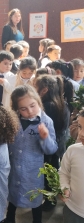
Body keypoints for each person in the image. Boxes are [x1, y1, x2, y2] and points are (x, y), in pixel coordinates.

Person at [3, 85, 58, 223]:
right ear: (17, 109)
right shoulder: (13, 119)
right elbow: (7, 141)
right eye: (24, 109)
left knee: (35, 201)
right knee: (12, 195)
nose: (30, 111)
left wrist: (45, 137)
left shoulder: (46, 121)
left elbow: (52, 148)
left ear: (38, 102)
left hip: (33, 171)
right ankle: (9, 220)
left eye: (33, 105)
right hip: (13, 167)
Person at [35, 75, 70, 211]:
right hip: (59, 144)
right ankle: (52, 199)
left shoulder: (47, 106)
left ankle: (50, 201)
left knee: (47, 174)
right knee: (53, 172)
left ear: (44, 90)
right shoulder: (62, 102)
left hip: (49, 145)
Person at [59, 109, 84, 223]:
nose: (81, 134)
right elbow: (64, 173)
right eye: (80, 127)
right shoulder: (73, 151)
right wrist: (64, 188)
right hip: (73, 213)